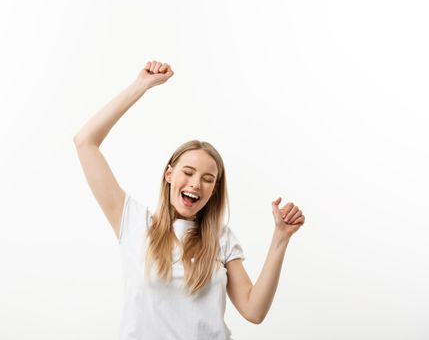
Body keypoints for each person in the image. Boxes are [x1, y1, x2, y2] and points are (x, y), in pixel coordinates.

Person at [73, 60, 306, 339]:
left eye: (208, 179)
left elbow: (253, 311)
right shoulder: (133, 222)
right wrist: (141, 86)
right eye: (188, 172)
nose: (196, 183)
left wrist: (280, 237)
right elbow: (85, 141)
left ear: (214, 190)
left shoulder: (221, 239)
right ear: (169, 174)